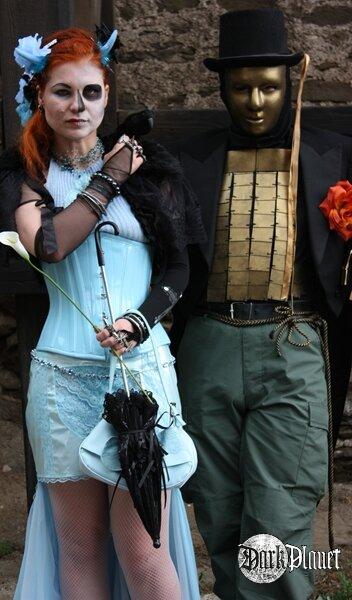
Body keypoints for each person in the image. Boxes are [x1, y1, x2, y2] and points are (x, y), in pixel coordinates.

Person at [0, 27, 205, 600]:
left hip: (140, 374)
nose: (77, 106)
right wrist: (110, 177)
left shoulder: (152, 173)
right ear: (39, 95)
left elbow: (178, 269)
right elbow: (48, 245)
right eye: (62, 92)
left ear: (107, 95)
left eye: (91, 92)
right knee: (80, 546)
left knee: (143, 548)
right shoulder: (25, 176)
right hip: (61, 379)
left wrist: (139, 321)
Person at [170, 9, 352, 600]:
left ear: (289, 84)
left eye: (268, 87)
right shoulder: (185, 162)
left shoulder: (334, 157)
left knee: (279, 512)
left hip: (291, 342)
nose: (255, 102)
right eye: (241, 87)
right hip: (207, 345)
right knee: (218, 508)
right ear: (223, 89)